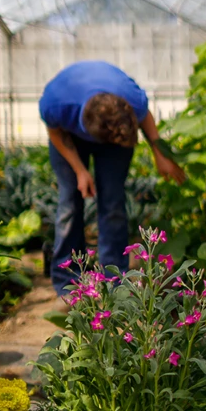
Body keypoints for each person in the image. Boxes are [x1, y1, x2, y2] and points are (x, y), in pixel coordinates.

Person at [39, 60, 185, 294]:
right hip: (67, 134)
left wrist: (160, 152)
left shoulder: (131, 101)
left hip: (117, 129)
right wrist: (80, 170)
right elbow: (54, 130)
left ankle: (115, 282)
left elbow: (143, 115)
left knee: (113, 202)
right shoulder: (57, 103)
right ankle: (68, 284)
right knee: (70, 203)